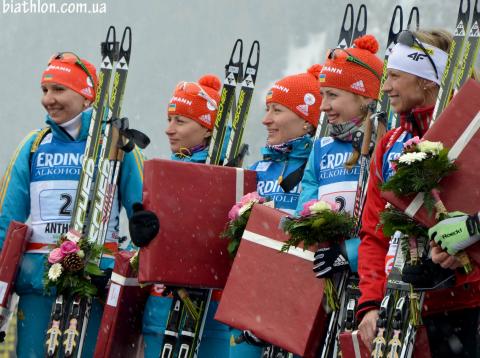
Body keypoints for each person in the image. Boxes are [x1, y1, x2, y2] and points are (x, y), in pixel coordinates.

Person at [0, 52, 144, 357]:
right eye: (44, 90)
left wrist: (123, 272)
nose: (48, 99)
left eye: (59, 90)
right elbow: (6, 222)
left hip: (96, 282)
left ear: (86, 96)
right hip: (38, 283)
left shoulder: (117, 144)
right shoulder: (34, 145)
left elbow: (143, 217)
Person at [356, 29, 480, 357]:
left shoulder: (471, 134)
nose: (386, 88)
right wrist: (369, 303)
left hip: (465, 305)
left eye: (395, 76)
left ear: (426, 80)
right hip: (399, 308)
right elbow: (373, 232)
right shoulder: (389, 144)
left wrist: (464, 251)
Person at [138, 74, 240, 358]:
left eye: (180, 121)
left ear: (208, 130)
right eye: (169, 119)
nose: (169, 130)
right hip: (162, 311)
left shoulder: (229, 174)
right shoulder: (163, 173)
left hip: (211, 315)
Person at [295, 35, 383, 279]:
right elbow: (306, 201)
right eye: (322, 95)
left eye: (332, 95)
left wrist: (350, 253)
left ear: (364, 96)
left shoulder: (382, 143)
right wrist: (310, 229)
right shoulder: (322, 147)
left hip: (369, 272)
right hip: (327, 272)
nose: (323, 106)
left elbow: (385, 217)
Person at [251, 64, 323, 215]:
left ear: (307, 121)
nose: (265, 120)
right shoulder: (256, 169)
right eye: (267, 109)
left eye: (277, 110)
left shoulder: (321, 165)